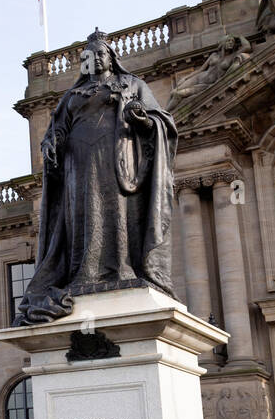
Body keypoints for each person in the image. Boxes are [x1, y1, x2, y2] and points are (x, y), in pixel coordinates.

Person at [14, 29, 177, 325]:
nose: (96, 59)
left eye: (100, 53)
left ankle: (123, 270)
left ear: (111, 58)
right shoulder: (72, 96)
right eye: (89, 56)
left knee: (116, 213)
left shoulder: (131, 84)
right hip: (78, 163)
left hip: (117, 159)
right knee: (83, 215)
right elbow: (56, 131)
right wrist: (51, 144)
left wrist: (143, 120)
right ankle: (83, 274)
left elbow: (161, 120)